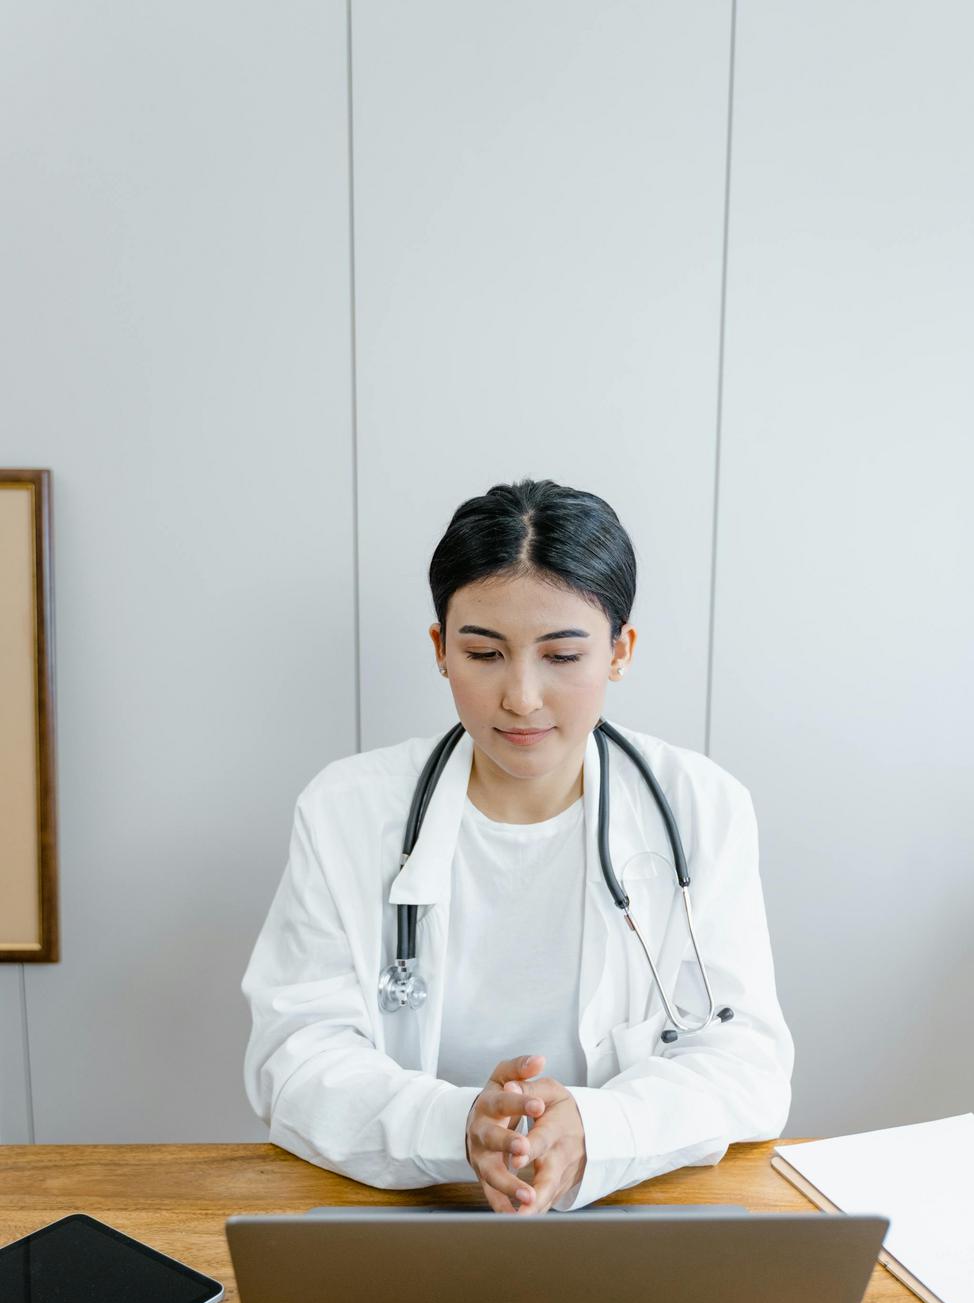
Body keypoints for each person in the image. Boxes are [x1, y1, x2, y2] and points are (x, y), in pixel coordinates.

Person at [242, 478, 794, 1214]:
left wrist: (598, 1130)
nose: (522, 697)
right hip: (416, 1214)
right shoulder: (347, 811)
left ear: (619, 652)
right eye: (484, 653)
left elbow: (747, 1065)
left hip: (632, 1215)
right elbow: (295, 1059)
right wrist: (455, 1126)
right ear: (441, 650)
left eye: (563, 656)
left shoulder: (700, 807)